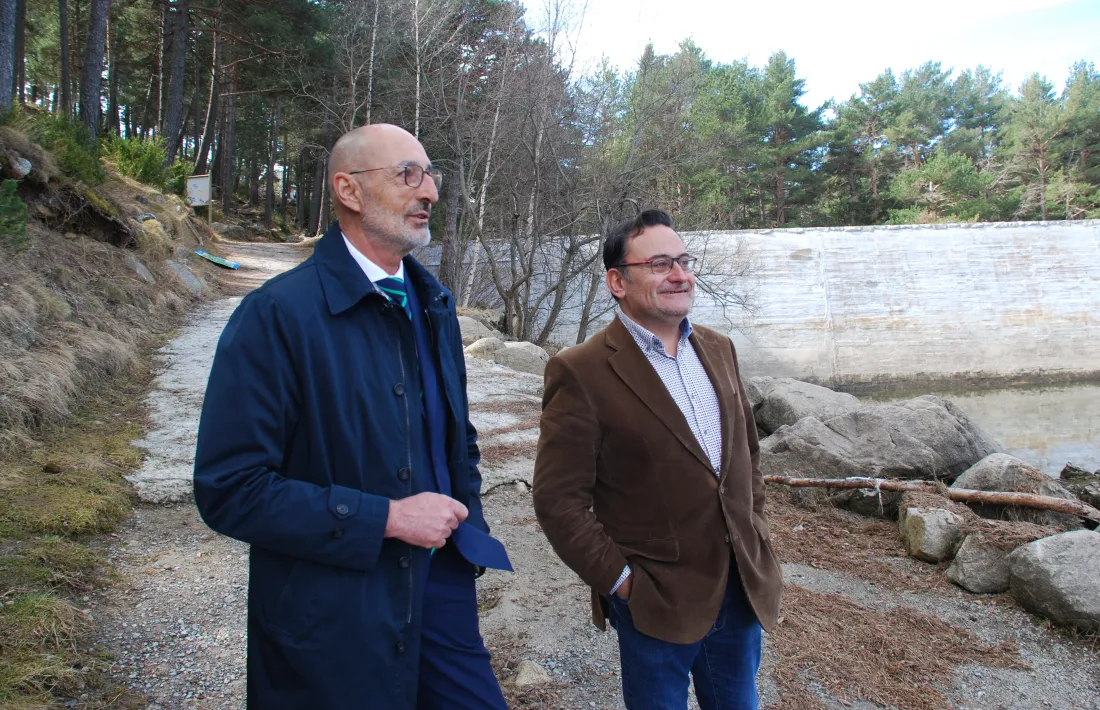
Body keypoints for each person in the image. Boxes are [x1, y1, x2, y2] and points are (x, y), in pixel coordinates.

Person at [193, 123, 511, 710]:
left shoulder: (434, 303)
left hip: (439, 590)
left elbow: (455, 440)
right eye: (407, 175)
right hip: (330, 613)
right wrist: (386, 518)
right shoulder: (276, 316)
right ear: (349, 190)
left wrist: (470, 534)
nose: (430, 192)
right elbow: (230, 490)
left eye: (431, 174)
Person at [532, 209, 783, 710]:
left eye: (685, 261)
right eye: (661, 263)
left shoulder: (718, 347)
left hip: (740, 586)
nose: (680, 275)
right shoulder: (580, 370)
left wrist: (755, 530)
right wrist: (620, 582)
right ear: (617, 281)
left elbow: (746, 457)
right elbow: (558, 500)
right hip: (655, 599)